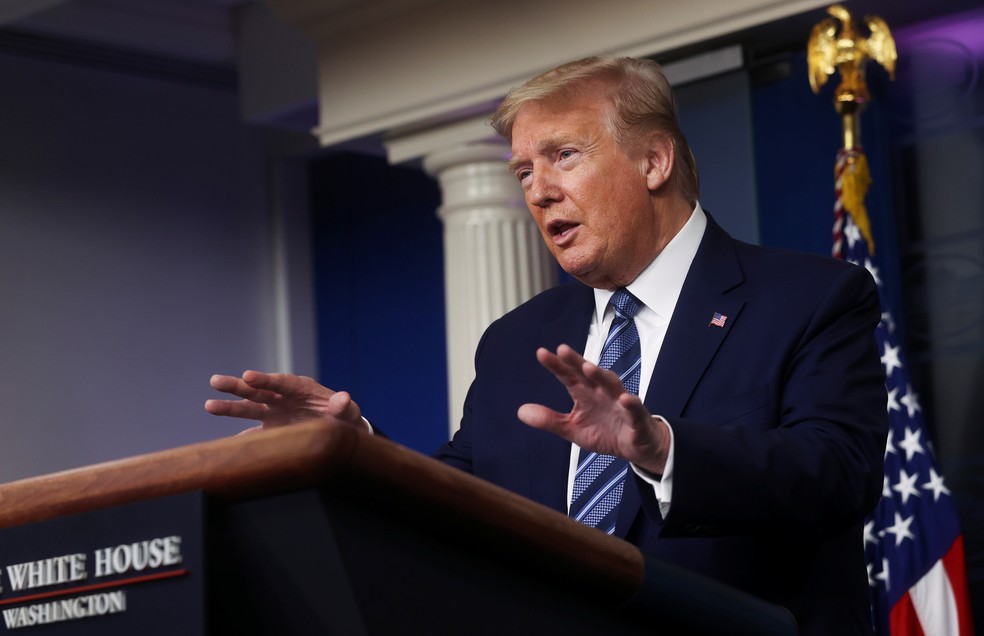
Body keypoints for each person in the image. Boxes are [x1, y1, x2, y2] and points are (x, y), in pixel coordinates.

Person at [206, 56, 888, 634]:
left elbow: (839, 474)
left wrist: (662, 449)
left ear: (654, 160)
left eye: (563, 156)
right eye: (524, 173)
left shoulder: (809, 299)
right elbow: (458, 506)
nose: (539, 192)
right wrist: (354, 449)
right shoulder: (515, 342)